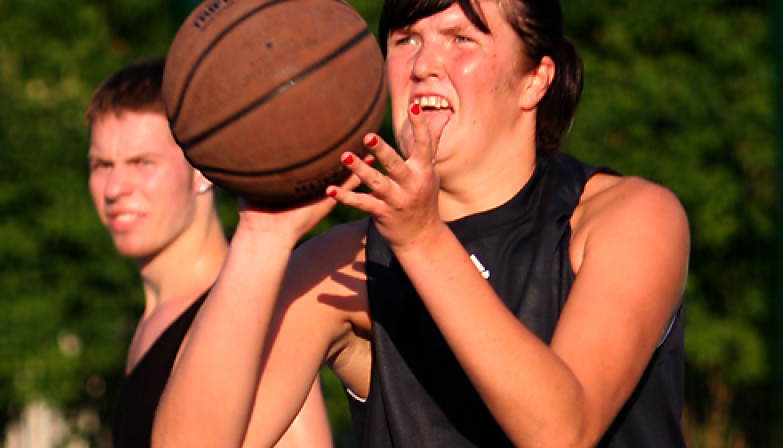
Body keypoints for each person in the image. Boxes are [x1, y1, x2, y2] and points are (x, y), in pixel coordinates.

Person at [153, 0, 690, 446]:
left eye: (461, 39)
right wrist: (261, 236)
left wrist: (422, 238)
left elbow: (561, 432)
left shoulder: (629, 218)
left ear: (535, 80)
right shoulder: (347, 264)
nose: (425, 63)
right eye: (406, 39)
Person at [85, 58, 334, 448]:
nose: (115, 187)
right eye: (102, 164)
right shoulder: (151, 320)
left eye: (142, 162)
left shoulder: (250, 314)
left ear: (202, 168)